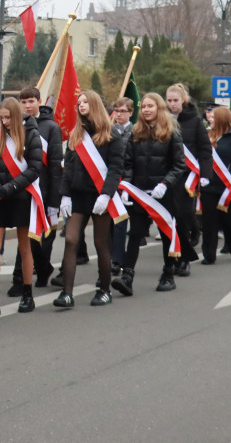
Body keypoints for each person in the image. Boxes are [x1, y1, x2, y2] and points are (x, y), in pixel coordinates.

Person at [56, 91, 125, 307]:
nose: (81, 105)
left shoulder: (111, 134)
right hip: (77, 196)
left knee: (100, 243)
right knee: (70, 239)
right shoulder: (76, 134)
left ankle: (104, 290)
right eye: (79, 102)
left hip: (99, 196)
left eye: (85, 102)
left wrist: (106, 195)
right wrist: (65, 195)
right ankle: (67, 293)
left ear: (94, 104)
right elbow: (67, 169)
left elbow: (115, 169)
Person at [0, 98, 44, 315]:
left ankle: (27, 294)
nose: (3, 122)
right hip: (1, 197)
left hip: (22, 196)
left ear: (16, 116)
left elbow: (34, 169)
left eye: (7, 118)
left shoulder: (32, 135)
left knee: (24, 247)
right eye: (1, 118)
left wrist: (10, 187)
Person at [112, 92, 185, 296]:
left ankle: (168, 273)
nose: (146, 109)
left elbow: (179, 165)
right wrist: (126, 186)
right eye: (143, 106)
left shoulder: (172, 133)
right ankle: (127, 277)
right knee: (135, 234)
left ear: (159, 108)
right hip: (140, 193)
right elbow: (128, 164)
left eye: (150, 106)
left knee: (166, 233)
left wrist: (165, 184)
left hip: (164, 195)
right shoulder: (135, 133)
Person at [16, 88, 65, 292]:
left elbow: (55, 165)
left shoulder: (51, 128)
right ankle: (19, 278)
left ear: (39, 101)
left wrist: (55, 200)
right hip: (22, 189)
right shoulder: (18, 126)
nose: (27, 105)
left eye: (31, 101)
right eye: (24, 102)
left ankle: (43, 267)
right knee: (24, 235)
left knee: (44, 237)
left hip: (44, 190)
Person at [165, 83, 208, 275]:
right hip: (166, 176)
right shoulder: (162, 119)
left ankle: (184, 258)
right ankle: (171, 258)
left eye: (175, 100)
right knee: (167, 218)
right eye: (169, 100)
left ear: (183, 100)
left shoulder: (195, 121)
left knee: (182, 217)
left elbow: (205, 149)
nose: (172, 104)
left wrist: (206, 174)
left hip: (186, 176)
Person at [199, 107, 231, 263]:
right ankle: (209, 255)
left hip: (227, 186)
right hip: (208, 185)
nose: (210, 119)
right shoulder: (208, 135)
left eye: (214, 117)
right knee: (208, 221)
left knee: (228, 219)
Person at [110, 97, 135, 273]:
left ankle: (118, 259)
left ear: (130, 113)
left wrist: (127, 181)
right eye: (116, 111)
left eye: (123, 111)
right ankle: (112, 256)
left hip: (127, 181)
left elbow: (133, 160)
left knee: (120, 222)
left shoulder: (135, 132)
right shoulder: (109, 131)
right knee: (109, 222)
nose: (119, 114)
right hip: (111, 180)